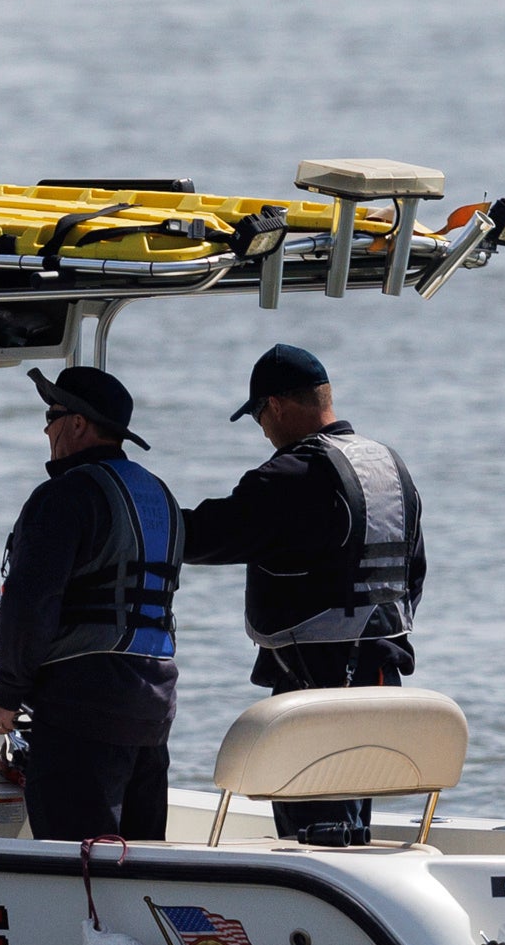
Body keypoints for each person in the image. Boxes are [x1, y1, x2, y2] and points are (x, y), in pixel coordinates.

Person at [181, 344, 424, 845]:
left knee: (315, 838)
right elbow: (414, 574)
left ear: (275, 405)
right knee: (352, 828)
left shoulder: (288, 477)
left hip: (315, 688)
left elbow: (202, 537)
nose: (263, 432)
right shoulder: (389, 467)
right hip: (383, 681)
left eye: (259, 418)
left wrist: (137, 512)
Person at [0, 366, 181, 843]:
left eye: (52, 415)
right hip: (152, 709)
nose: (45, 428)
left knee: (75, 865)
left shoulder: (63, 498)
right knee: (140, 861)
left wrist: (7, 693)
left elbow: (30, 606)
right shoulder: (160, 495)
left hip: (81, 712)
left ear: (77, 424)